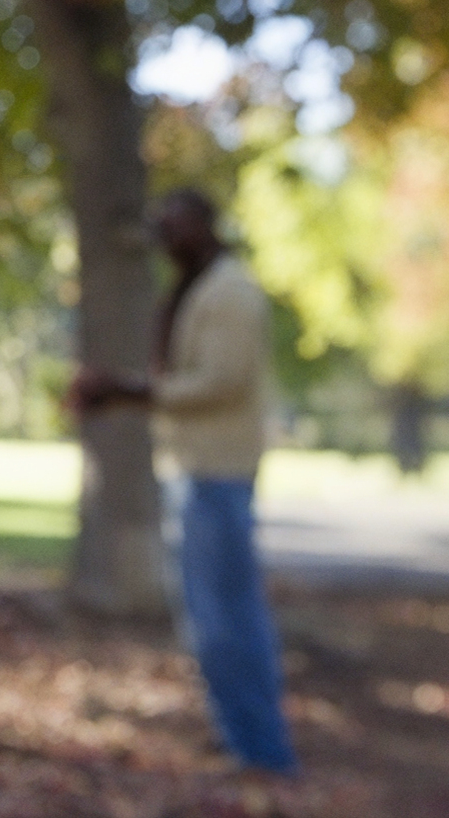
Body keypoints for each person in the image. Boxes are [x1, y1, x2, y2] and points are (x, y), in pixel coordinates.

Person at [70, 187, 298, 776]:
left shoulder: (231, 292)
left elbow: (219, 381)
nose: (165, 239)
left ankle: (263, 751)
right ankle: (240, 737)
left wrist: (127, 391)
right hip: (196, 472)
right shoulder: (197, 289)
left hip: (217, 475)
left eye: (174, 226)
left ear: (204, 226)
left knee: (226, 620)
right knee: (209, 617)